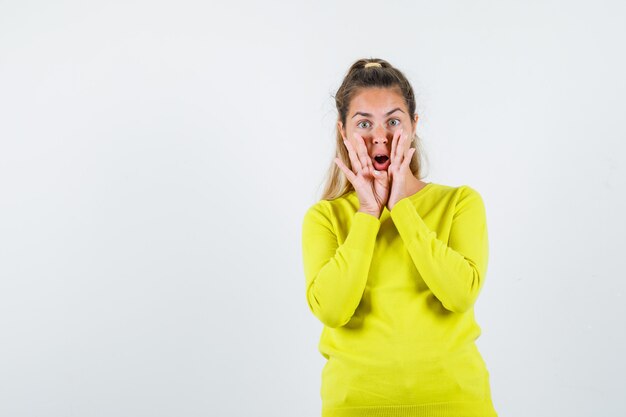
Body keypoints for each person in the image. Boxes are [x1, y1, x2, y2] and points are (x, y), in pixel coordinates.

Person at [301, 58, 498, 417]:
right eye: (364, 123)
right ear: (343, 133)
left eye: (393, 121)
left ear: (414, 126)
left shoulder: (460, 203)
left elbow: (460, 295)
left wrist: (402, 207)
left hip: (459, 406)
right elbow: (331, 310)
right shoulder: (325, 217)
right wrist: (368, 214)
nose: (381, 136)